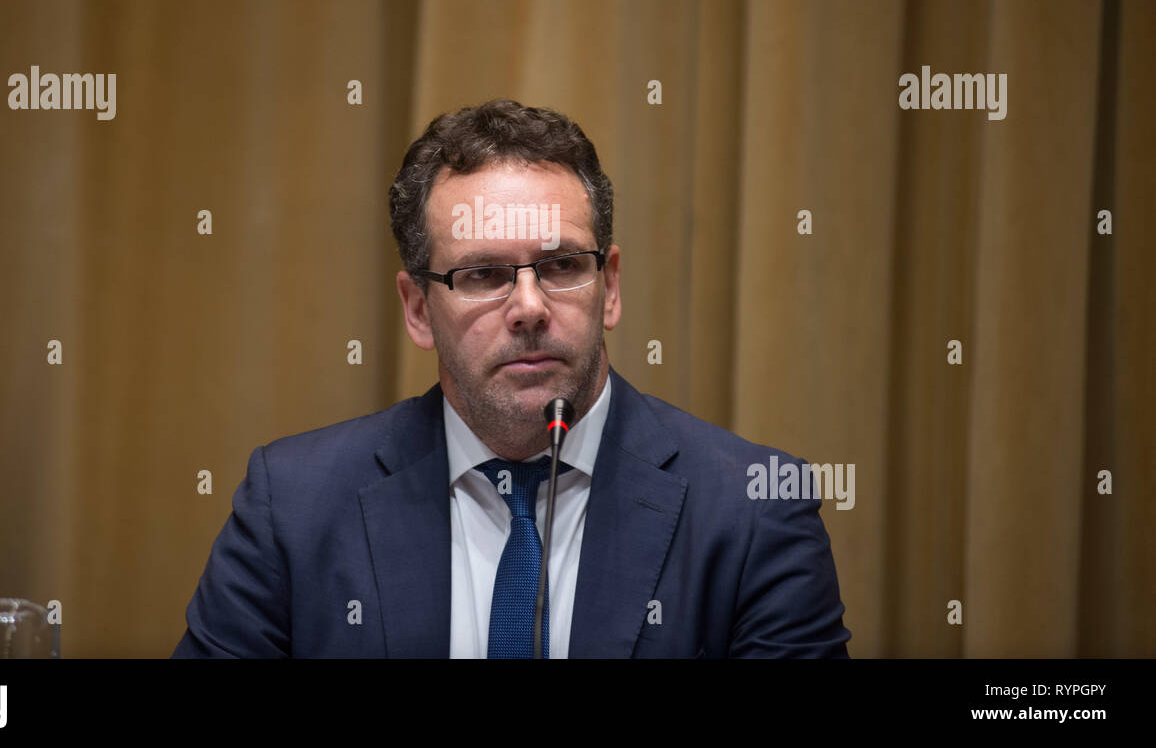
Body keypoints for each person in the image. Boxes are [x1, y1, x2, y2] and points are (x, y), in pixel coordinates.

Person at [172, 99, 851, 658]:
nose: (528, 307)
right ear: (417, 309)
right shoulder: (291, 506)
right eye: (483, 274)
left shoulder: (756, 511)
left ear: (608, 286)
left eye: (559, 266)